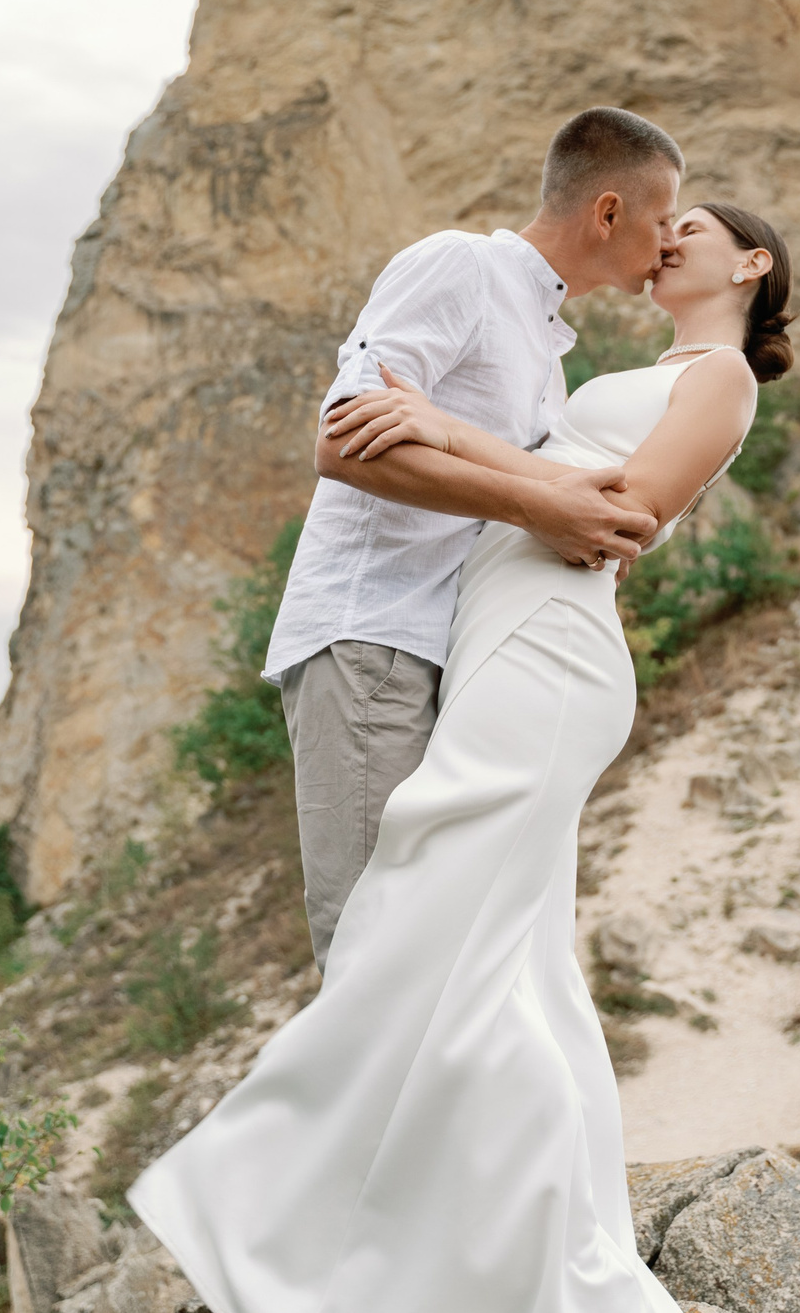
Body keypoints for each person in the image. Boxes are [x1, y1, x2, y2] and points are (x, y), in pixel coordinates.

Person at [131, 200, 797, 1313]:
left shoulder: (717, 379)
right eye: (658, 213)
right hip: (492, 643)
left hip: (547, 654)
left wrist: (442, 424)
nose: (665, 235)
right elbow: (552, 483)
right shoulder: (631, 367)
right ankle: (489, 1263)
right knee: (504, 961)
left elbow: (622, 513)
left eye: (691, 223)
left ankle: (401, 1292)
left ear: (751, 263)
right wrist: (489, 446)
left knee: (429, 934)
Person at [261, 106, 682, 968]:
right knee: (377, 959)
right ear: (608, 212)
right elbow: (341, 442)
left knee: (430, 955)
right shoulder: (462, 268)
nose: (670, 242)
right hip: (372, 639)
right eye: (664, 217)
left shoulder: (548, 352)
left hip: (443, 662)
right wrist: (538, 506)